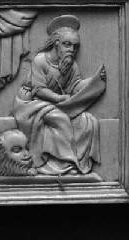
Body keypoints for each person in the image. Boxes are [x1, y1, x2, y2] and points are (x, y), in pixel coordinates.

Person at [12, 15, 107, 175]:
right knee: (60, 119)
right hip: (31, 104)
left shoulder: (71, 65)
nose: (72, 50)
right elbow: (38, 90)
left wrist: (94, 80)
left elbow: (76, 86)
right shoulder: (41, 60)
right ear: (56, 43)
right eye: (67, 44)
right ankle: (64, 163)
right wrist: (59, 98)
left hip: (56, 105)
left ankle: (74, 164)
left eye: (75, 46)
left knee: (88, 121)